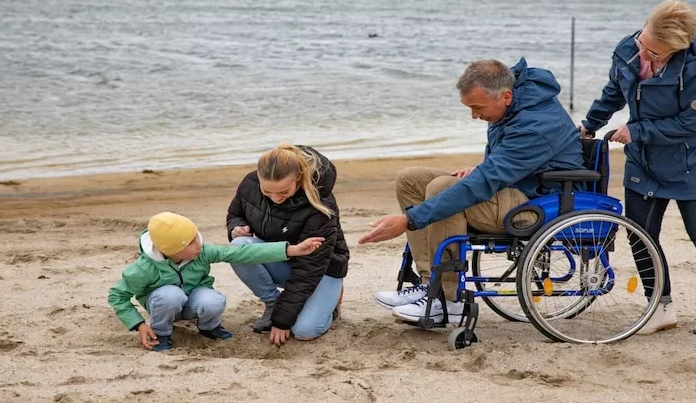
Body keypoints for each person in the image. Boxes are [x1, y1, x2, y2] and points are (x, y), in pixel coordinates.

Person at [358, 58, 584, 324]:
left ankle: (448, 298)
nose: (474, 116)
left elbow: (483, 183)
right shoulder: (515, 104)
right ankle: (430, 283)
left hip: (539, 205)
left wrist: (409, 220)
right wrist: (483, 167)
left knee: (445, 189)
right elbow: (505, 163)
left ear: (506, 96)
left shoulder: (535, 126)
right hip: (517, 188)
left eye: (477, 108)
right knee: (411, 179)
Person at [581, 0, 696, 336]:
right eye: (642, 45)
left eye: (655, 53)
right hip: (644, 163)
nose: (644, 56)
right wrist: (590, 124)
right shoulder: (629, 50)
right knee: (641, 234)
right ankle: (659, 306)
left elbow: (695, 123)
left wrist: (637, 131)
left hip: (694, 164)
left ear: (678, 48)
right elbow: (613, 92)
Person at [108, 211, 323, 351]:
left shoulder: (202, 251)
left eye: (197, 236)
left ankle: (209, 327)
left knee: (213, 300)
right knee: (170, 295)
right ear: (170, 250)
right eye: (190, 243)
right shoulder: (144, 268)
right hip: (164, 306)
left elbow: (244, 254)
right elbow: (117, 295)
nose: (198, 244)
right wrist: (139, 325)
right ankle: (162, 334)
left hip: (192, 302)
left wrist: (291, 249)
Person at [227, 144, 349, 346]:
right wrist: (236, 226)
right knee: (239, 247)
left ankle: (332, 299)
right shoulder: (250, 183)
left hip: (321, 269)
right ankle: (272, 303)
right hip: (281, 258)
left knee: (304, 331)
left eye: (283, 192)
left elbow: (309, 269)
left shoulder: (320, 204)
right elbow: (235, 213)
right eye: (267, 191)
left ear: (299, 177)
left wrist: (282, 322)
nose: (275, 199)